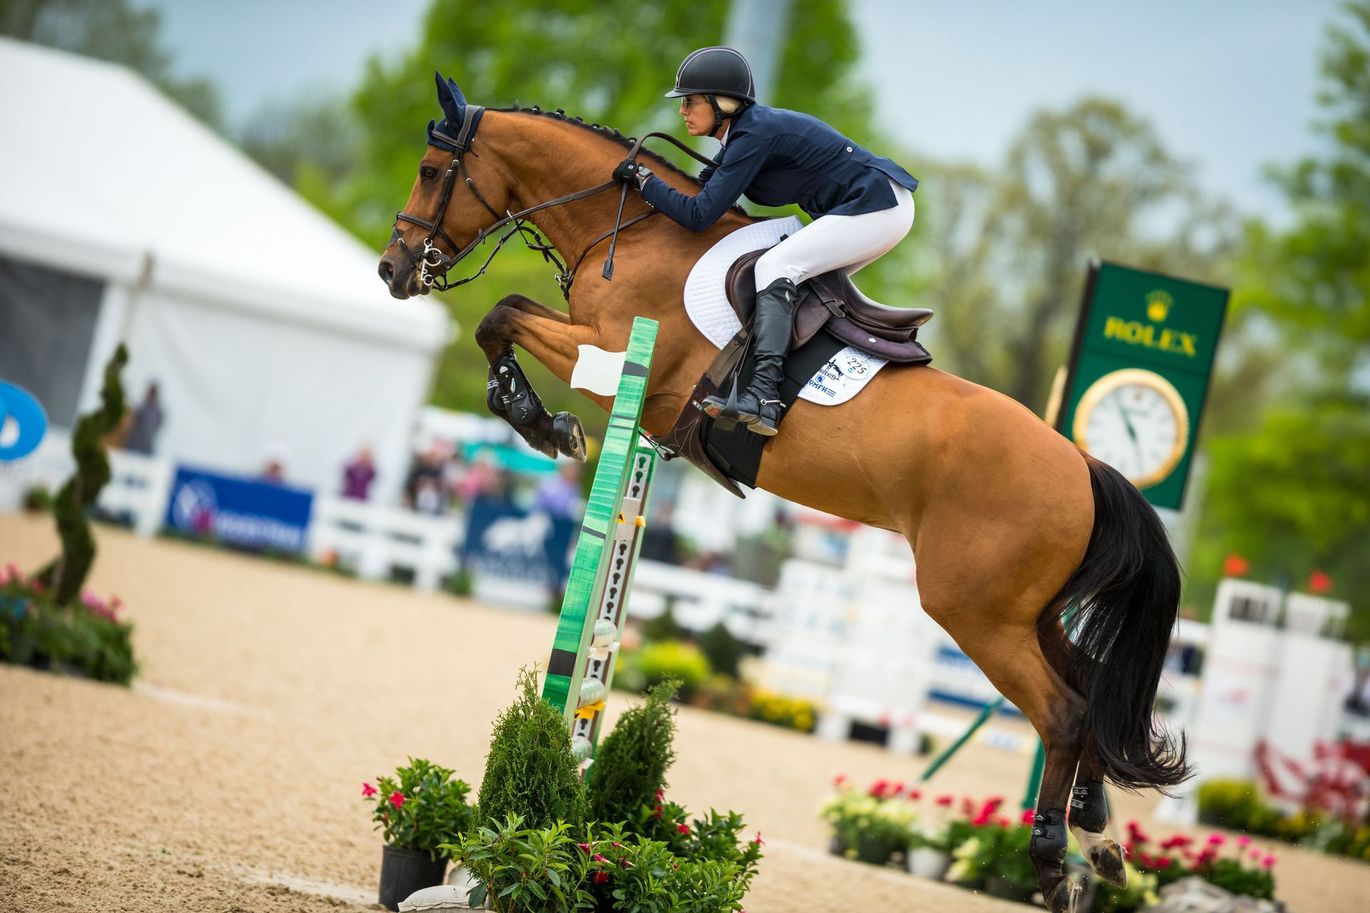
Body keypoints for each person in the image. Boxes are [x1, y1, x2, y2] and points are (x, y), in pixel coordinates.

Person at [612, 46, 918, 436]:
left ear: (721, 103)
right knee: (788, 281)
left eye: (690, 101)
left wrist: (644, 180)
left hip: (877, 205)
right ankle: (781, 389)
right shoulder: (742, 137)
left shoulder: (754, 132)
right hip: (875, 208)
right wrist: (647, 186)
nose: (682, 110)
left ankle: (764, 396)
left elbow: (698, 216)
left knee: (775, 267)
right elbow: (699, 199)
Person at [122, 381, 164, 455]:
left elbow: (157, 426)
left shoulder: (158, 413)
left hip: (146, 448)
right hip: (133, 445)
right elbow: (131, 423)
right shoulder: (140, 408)